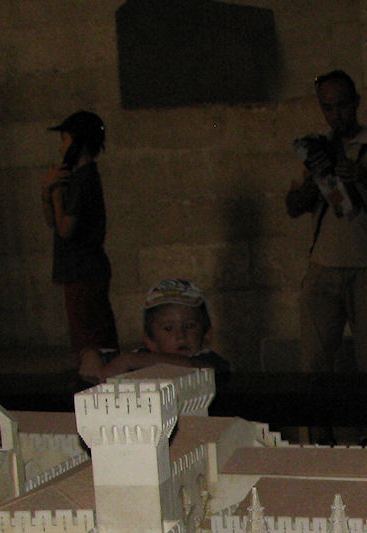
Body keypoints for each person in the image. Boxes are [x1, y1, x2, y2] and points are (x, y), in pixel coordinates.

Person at [285, 69, 367, 375]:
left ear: (355, 103)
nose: (336, 115)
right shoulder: (315, 149)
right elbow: (293, 207)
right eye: (328, 107)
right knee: (314, 363)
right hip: (323, 266)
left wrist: (363, 176)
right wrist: (315, 181)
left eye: (342, 105)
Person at [42, 110, 120, 384]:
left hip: (83, 270)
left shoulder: (85, 178)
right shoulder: (79, 178)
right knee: (90, 334)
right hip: (80, 269)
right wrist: (48, 190)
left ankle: (99, 384)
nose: (61, 147)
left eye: (64, 140)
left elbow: (65, 228)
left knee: (90, 339)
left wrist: (55, 194)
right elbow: (52, 221)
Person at [87, 279, 230, 381]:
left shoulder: (208, 360)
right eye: (168, 328)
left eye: (189, 326)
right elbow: (99, 358)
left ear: (207, 334)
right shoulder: (142, 356)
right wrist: (91, 355)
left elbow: (194, 367)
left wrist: (129, 361)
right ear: (150, 341)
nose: (180, 335)